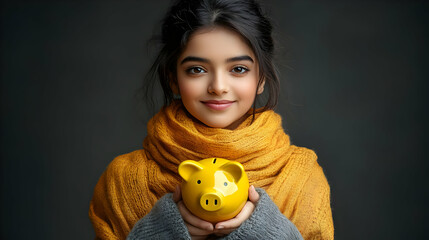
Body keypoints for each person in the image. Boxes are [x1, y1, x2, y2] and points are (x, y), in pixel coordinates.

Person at [89, 0, 334, 239]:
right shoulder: (122, 179)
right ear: (173, 78)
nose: (218, 87)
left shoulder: (303, 177)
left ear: (261, 79)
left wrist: (266, 231)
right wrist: (160, 231)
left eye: (238, 69)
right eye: (197, 69)